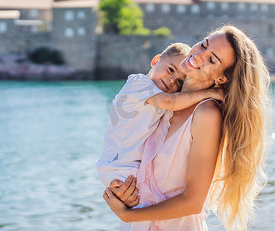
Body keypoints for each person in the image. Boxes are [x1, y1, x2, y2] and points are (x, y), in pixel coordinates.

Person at [103, 25, 271, 231]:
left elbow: (193, 201)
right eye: (203, 44)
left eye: (212, 60)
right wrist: (120, 190)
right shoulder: (163, 100)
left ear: (221, 79)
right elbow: (131, 156)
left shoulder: (206, 114)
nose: (199, 55)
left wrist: (129, 215)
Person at [96, 43, 224, 191]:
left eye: (180, 82)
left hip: (134, 168)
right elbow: (171, 102)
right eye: (171, 70)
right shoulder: (138, 84)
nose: (171, 80)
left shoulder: (161, 101)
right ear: (156, 61)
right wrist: (209, 93)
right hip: (116, 165)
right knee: (134, 199)